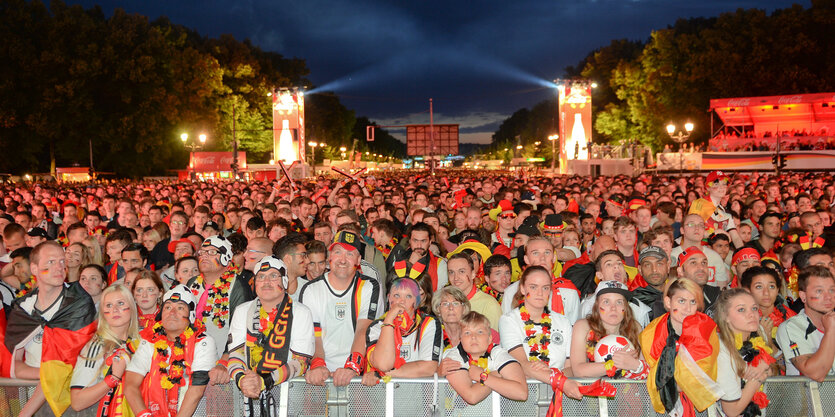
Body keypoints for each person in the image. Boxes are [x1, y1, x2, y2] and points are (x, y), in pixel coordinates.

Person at [2, 241, 97, 417]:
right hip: (30, 395)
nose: (59, 267)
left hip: (68, 400)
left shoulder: (78, 304)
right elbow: (14, 366)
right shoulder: (23, 307)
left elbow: (68, 366)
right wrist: (48, 375)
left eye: (62, 261)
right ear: (35, 269)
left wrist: (24, 413)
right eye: (51, 262)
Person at [227, 256, 314, 413]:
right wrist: (242, 380)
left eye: (274, 276)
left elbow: (301, 361)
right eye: (261, 276)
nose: (266, 282)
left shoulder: (301, 313)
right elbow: (235, 354)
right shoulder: (242, 311)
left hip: (289, 396)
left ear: (285, 282)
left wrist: (264, 381)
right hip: (247, 395)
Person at [300, 230, 382, 387]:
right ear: (329, 256)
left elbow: (363, 329)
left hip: (358, 371)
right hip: (321, 371)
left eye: (350, 254)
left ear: (359, 259)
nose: (343, 260)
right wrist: (318, 364)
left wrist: (352, 366)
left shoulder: (369, 286)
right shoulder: (311, 289)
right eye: (338, 252)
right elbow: (314, 334)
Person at [124, 285, 217, 417]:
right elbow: (131, 384)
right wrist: (144, 415)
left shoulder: (202, 341)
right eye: (167, 307)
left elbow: (197, 390)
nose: (172, 312)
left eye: (180, 308)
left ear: (191, 315)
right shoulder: (150, 340)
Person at [641, 278, 722, 417]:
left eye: (693, 302)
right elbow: (647, 370)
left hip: (700, 405)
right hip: (659, 407)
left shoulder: (706, 329)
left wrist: (669, 384)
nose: (687, 308)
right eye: (681, 301)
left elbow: (703, 371)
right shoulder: (651, 332)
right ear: (668, 302)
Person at [499, 266, 580, 403]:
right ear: (523, 289)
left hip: (558, 396)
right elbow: (522, 364)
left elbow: (571, 368)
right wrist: (560, 381)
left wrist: (552, 374)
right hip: (524, 399)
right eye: (533, 287)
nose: (540, 293)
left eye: (545, 288)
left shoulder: (563, 322)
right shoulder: (509, 320)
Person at [70, 284, 141, 415]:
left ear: (132, 307)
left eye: (120, 303)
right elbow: (77, 401)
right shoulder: (96, 347)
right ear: (103, 313)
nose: (114, 310)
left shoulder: (141, 343)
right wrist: (113, 378)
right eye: (108, 305)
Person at [364, 277, 441, 385]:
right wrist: (389, 320)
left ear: (417, 301)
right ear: (388, 298)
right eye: (396, 295)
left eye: (408, 296)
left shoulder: (429, 323)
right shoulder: (376, 327)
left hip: (416, 399)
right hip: (383, 397)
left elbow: (429, 367)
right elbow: (383, 364)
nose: (402, 301)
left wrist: (381, 374)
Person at [713, 288, 774, 417]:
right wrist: (758, 379)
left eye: (754, 308)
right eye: (741, 310)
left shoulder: (759, 333)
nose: (751, 315)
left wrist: (765, 366)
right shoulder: (722, 350)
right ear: (725, 316)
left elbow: (772, 370)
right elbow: (732, 411)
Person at [443, 312, 528, 404]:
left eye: (480, 332)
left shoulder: (498, 353)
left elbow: (521, 393)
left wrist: (483, 376)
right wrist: (496, 374)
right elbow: (472, 397)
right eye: (467, 333)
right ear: (460, 339)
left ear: (490, 338)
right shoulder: (453, 357)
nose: (473, 337)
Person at [570, 280, 647, 379]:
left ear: (626, 307)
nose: (613, 308)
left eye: (619, 302)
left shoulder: (635, 327)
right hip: (592, 392)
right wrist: (617, 363)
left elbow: (646, 370)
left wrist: (636, 366)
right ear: (597, 306)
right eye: (606, 302)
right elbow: (578, 370)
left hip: (626, 392)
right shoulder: (583, 326)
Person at [776, 266, 835, 380]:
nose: (828, 297)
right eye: (819, 291)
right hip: (808, 396)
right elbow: (816, 374)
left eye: (832, 290)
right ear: (803, 296)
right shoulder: (791, 327)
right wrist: (830, 331)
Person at [741, 266, 795, 348]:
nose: (766, 293)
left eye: (771, 286)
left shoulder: (790, 318)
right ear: (747, 291)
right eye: (759, 287)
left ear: (777, 290)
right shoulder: (739, 319)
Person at [447, 252, 501, 330]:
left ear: (473, 274)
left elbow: (494, 340)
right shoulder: (445, 303)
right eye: (451, 272)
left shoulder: (489, 305)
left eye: (461, 271)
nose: (456, 278)